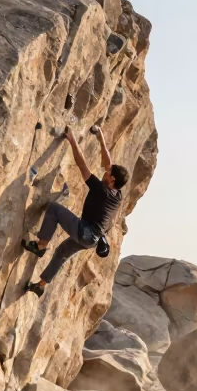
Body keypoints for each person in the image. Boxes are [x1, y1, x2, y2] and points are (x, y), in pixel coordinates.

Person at [22, 125, 128, 296]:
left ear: (112, 179)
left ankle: (40, 246)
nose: (105, 172)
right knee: (61, 253)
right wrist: (101, 138)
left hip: (86, 232)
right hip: (92, 239)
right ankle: (40, 285)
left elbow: (82, 165)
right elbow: (108, 163)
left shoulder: (101, 190)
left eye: (108, 173)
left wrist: (72, 140)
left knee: (54, 209)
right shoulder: (117, 194)